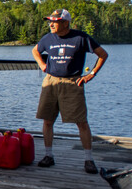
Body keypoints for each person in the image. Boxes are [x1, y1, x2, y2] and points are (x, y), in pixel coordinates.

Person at [31, 9, 108, 173]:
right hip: (51, 81)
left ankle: (88, 159)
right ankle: (48, 155)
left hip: (72, 82)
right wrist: (42, 65)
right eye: (50, 21)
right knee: (47, 120)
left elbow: (103, 54)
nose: (51, 24)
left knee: (81, 122)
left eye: (55, 21)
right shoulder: (48, 38)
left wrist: (91, 74)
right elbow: (35, 50)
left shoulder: (80, 38)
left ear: (66, 23)